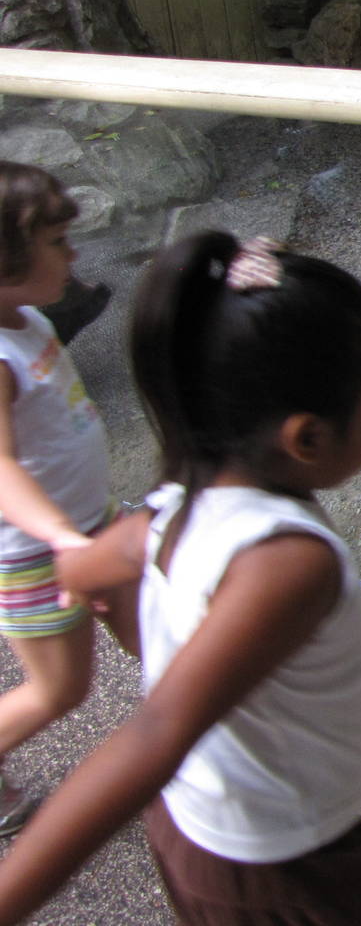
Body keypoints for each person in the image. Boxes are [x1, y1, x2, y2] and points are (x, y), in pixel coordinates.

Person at [0, 232, 361, 925]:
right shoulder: (287, 563)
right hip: (281, 865)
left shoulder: (171, 508)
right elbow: (155, 734)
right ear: (306, 438)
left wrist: (82, 573)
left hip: (198, 829)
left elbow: (87, 562)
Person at [0, 162, 111, 837]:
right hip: (40, 554)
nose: (74, 255)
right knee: (59, 690)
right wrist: (65, 539)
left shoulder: (26, 316)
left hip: (91, 524)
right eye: (58, 243)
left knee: (148, 613)